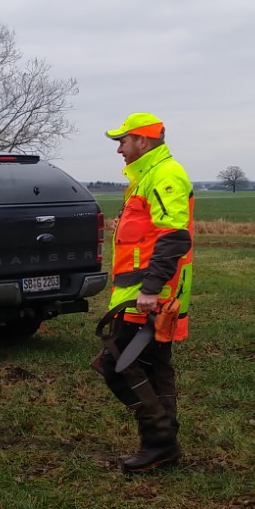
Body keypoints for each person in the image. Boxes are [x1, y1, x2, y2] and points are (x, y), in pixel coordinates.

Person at [93, 112, 194, 474]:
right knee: (153, 367)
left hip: (150, 297)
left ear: (144, 141)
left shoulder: (164, 175)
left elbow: (175, 237)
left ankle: (159, 442)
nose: (120, 148)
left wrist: (151, 291)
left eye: (124, 140)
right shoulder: (144, 178)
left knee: (115, 364)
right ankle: (165, 444)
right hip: (140, 295)